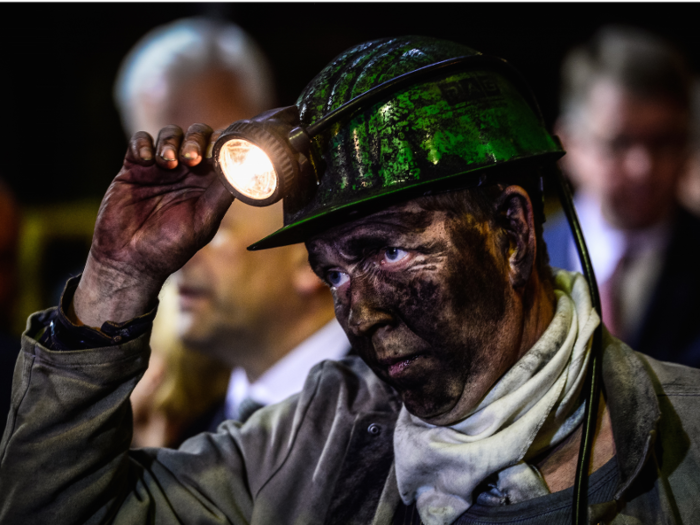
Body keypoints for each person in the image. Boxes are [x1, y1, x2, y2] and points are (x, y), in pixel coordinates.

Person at [2, 36, 700, 524]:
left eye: (388, 253)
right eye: (331, 270)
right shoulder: (316, 439)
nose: (358, 309)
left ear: (512, 233)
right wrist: (117, 278)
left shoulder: (684, 434)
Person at [115, 17, 347, 438]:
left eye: (216, 229)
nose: (179, 251)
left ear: (309, 250)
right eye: (152, 143)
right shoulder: (174, 412)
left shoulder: (388, 414)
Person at [545, 26, 700, 367]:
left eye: (664, 142)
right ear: (569, 146)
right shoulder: (528, 260)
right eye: (620, 143)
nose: (643, 167)